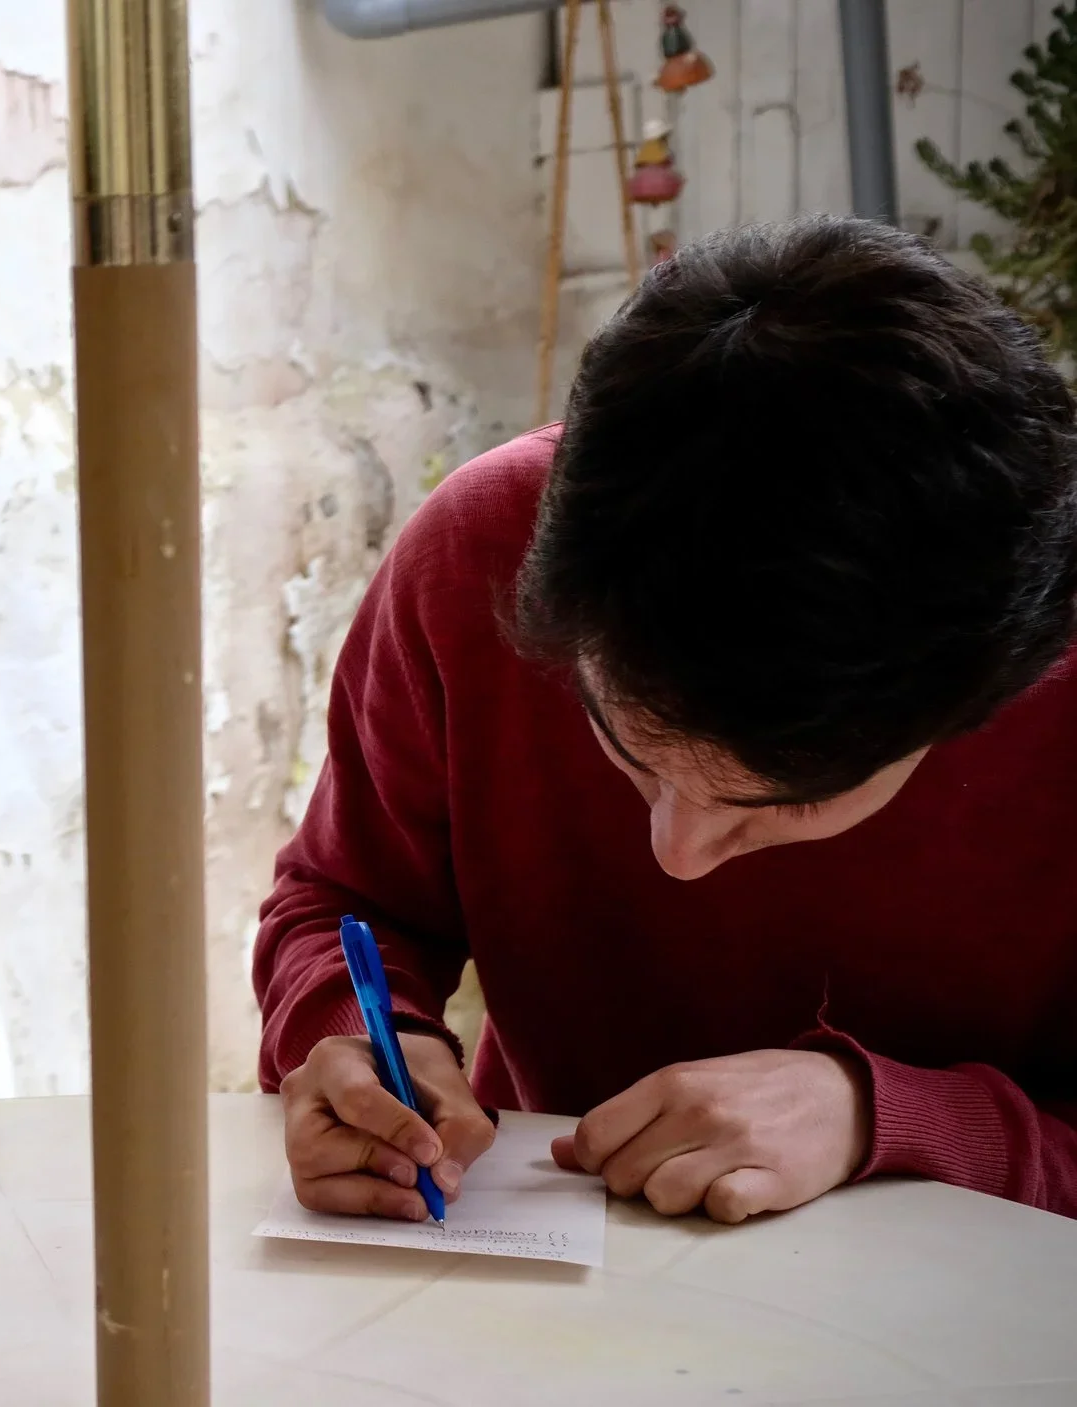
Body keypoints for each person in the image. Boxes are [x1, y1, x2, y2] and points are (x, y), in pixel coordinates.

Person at [260, 217, 1077, 1227]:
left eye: (779, 804)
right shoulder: (478, 554)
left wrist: (889, 1118)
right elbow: (340, 894)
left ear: (988, 696)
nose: (677, 854)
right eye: (628, 754)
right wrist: (356, 1039)